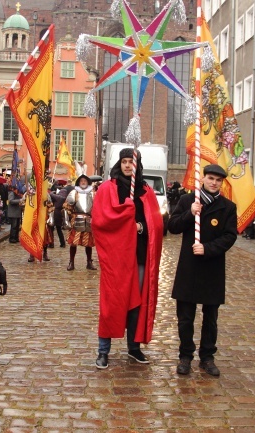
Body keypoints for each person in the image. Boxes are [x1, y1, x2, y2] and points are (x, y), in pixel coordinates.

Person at [91, 148, 163, 369]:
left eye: (132, 161)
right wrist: (124, 217)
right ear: (119, 164)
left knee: (137, 304)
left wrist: (141, 226)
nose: (128, 165)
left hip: (140, 255)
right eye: (124, 161)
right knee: (112, 303)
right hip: (116, 259)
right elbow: (100, 220)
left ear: (137, 164)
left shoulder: (145, 191)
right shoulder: (108, 189)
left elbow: (157, 223)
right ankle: (103, 350)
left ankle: (134, 347)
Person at [169, 164, 237, 376]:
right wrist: (190, 214)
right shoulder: (187, 200)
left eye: (218, 180)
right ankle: (185, 355)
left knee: (210, 317)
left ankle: (207, 356)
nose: (214, 182)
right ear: (203, 178)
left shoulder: (228, 207)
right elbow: (173, 226)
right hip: (189, 268)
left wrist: (207, 248)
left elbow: (229, 236)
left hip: (212, 268)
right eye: (210, 178)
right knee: (186, 317)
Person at [65, 174, 97, 270]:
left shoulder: (93, 193)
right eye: (81, 181)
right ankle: (71, 262)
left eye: (85, 181)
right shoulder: (74, 192)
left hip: (89, 219)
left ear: (88, 182)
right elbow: (67, 208)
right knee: (73, 243)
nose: (83, 182)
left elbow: (97, 207)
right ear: (79, 182)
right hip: (76, 219)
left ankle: (89, 262)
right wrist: (67, 221)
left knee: (89, 244)